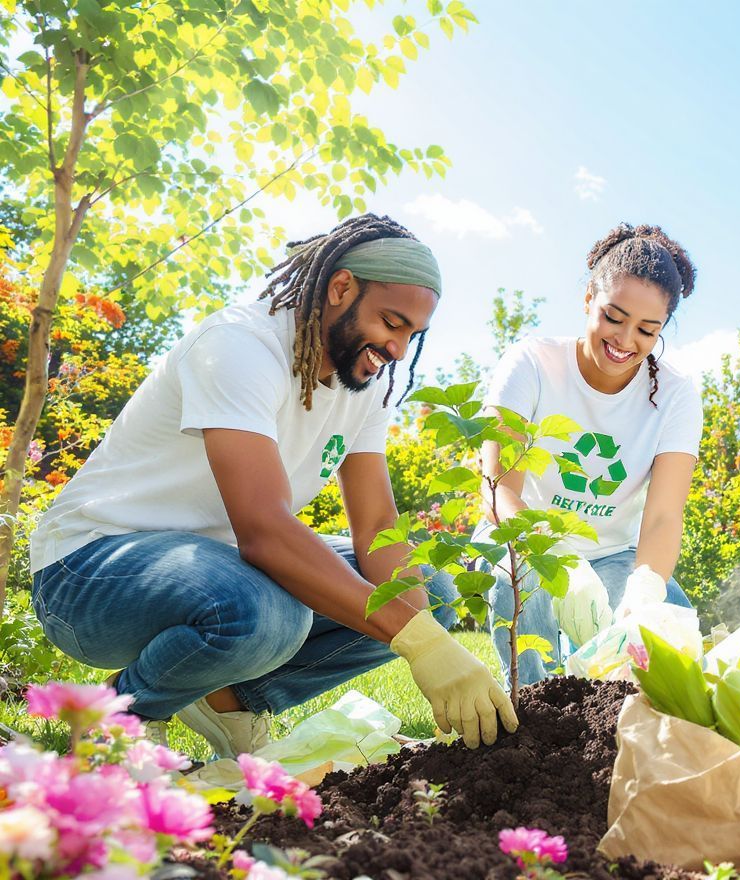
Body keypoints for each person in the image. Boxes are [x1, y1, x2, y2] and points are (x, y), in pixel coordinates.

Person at [30, 214, 517, 756]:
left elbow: (377, 526)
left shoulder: (365, 387)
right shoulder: (240, 347)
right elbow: (263, 528)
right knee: (269, 615)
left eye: (411, 334)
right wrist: (419, 644)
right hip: (88, 571)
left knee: (431, 594)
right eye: (390, 322)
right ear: (340, 288)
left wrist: (430, 635)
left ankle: (228, 702)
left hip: (217, 570)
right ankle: (120, 715)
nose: (398, 348)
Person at [479, 223, 703, 685]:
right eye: (613, 317)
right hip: (525, 540)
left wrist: (646, 585)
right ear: (588, 300)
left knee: (672, 641)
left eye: (647, 329)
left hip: (614, 552)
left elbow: (663, 517)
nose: (625, 340)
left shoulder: (677, 395)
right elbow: (499, 490)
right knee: (520, 583)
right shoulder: (533, 364)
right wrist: (555, 555)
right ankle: (531, 710)